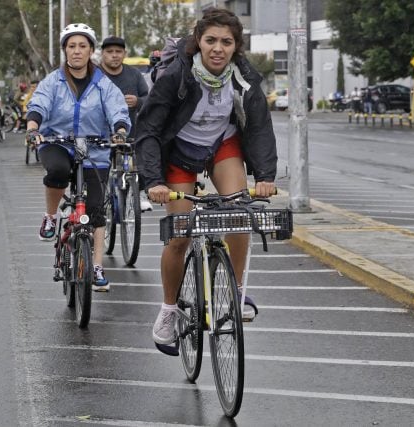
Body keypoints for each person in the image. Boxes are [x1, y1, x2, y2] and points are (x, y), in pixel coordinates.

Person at [134, 8, 277, 347]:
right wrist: (153, 182)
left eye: (226, 42)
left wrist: (266, 176)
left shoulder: (244, 77)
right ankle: (169, 310)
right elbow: (149, 131)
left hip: (221, 145)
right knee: (180, 236)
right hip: (180, 151)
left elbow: (258, 128)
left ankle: (237, 293)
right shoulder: (177, 76)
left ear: (236, 46)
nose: (218, 48)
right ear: (198, 41)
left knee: (239, 211)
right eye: (210, 40)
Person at [26, 23, 130, 291]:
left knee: (95, 211)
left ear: (91, 51)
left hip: (94, 147)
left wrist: (119, 130)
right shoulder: (53, 81)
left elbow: (117, 109)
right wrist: (33, 128)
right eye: (71, 46)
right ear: (64, 50)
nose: (76, 51)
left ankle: (96, 266)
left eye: (82, 46)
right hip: (56, 141)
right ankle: (50, 216)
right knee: (58, 172)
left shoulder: (103, 84)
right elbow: (38, 105)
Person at [99, 35, 153, 212]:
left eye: (118, 51)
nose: (114, 55)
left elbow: (150, 99)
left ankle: (141, 193)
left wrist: (137, 101)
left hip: (130, 133)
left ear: (124, 54)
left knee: (141, 156)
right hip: (101, 133)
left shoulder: (134, 74)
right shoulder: (95, 74)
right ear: (102, 54)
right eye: (109, 52)